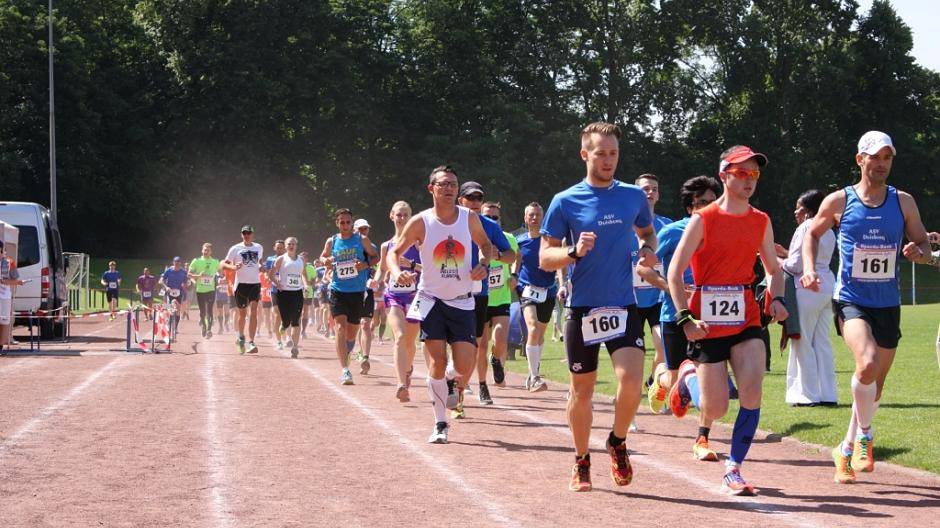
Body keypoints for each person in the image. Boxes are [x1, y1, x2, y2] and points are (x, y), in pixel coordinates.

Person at [801, 131, 934, 484]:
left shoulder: (903, 201)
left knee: (875, 384)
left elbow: (923, 243)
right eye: (875, 157)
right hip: (851, 299)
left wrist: (919, 254)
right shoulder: (839, 201)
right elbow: (811, 234)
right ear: (860, 159)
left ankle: (845, 449)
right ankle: (866, 436)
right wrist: (810, 268)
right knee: (867, 362)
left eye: (887, 157)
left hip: (888, 303)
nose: (881, 164)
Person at [539, 122, 658, 492]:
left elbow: (647, 232)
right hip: (583, 310)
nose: (608, 160)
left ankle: (617, 441)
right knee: (582, 391)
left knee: (632, 382)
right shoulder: (565, 201)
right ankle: (581, 459)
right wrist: (573, 252)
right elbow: (545, 257)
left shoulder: (633, 196)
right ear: (584, 154)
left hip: (622, 305)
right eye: (601, 153)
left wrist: (647, 250)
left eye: (613, 153)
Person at [666, 145, 787, 496]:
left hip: (746, 318)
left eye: (754, 174)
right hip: (706, 323)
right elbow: (674, 273)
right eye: (741, 173)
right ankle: (688, 379)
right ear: (724, 176)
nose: (749, 180)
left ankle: (733, 468)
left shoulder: (760, 220)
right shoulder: (703, 219)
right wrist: (685, 318)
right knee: (716, 407)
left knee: (752, 389)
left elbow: (774, 269)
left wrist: (777, 299)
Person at [387, 165, 495, 444]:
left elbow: (486, 246)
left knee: (464, 365)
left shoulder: (469, 218)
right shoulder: (420, 222)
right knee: (436, 361)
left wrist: (484, 264)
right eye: (443, 184)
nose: (449, 189)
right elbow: (393, 253)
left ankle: (451, 378)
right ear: (431, 188)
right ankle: (440, 424)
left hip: (462, 301)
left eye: (453, 185)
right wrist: (397, 272)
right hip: (431, 301)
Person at [640, 175, 722, 461]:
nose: (707, 207)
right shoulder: (673, 232)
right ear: (690, 207)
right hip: (674, 313)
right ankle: (660, 379)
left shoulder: (723, 230)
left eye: (712, 202)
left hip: (710, 314)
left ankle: (702, 438)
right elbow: (643, 269)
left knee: (707, 376)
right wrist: (669, 287)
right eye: (701, 203)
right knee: (676, 378)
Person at [453, 181, 514, 418]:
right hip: (450, 292)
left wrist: (498, 255)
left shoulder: (489, 226)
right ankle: (449, 382)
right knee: (450, 345)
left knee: (473, 346)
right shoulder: (449, 222)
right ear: (461, 200)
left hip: (479, 295)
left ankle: (458, 395)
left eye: (479, 198)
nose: (475, 202)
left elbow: (510, 255)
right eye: (470, 198)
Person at [778, 189, 837, 406]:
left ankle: (806, 394)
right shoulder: (828, 229)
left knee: (802, 340)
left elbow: (795, 265)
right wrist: (785, 253)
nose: (796, 212)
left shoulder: (805, 227)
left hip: (806, 287)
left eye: (799, 208)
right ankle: (828, 394)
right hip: (827, 286)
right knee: (822, 342)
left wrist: (775, 260)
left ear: (809, 210)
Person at [321, 209, 378, 385]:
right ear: (337, 223)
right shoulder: (332, 241)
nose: (345, 225)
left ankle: (348, 352)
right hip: (338, 290)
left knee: (352, 333)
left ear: (351, 223)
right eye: (342, 222)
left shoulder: (361, 239)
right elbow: (323, 256)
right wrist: (325, 261)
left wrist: (365, 264)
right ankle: (345, 370)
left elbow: (376, 257)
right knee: (340, 327)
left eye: (348, 222)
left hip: (357, 292)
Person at [378, 201, 423, 402]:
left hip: (415, 297)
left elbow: (430, 269)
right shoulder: (386, 246)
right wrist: (375, 280)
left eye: (406, 215)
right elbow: (382, 269)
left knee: (410, 342)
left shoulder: (419, 243)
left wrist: (411, 264)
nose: (402, 218)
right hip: (393, 295)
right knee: (400, 337)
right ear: (392, 216)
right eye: (399, 215)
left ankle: (408, 368)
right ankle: (401, 384)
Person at [513, 202, 560, 392]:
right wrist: (514, 276)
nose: (534, 218)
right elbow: (515, 262)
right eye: (531, 215)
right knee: (532, 328)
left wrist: (562, 282)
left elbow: (560, 263)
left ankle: (533, 370)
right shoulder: (519, 241)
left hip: (548, 290)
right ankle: (534, 377)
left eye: (537, 215)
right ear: (525, 218)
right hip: (527, 290)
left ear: (543, 217)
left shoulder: (550, 240)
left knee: (539, 335)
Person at [633, 174, 673, 393]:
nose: (650, 193)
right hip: (630, 299)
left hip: (658, 297)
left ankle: (652, 381)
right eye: (645, 189)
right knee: (634, 352)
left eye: (654, 189)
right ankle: (631, 388)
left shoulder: (667, 226)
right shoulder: (624, 225)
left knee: (662, 345)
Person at [477, 201, 518, 404]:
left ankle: (496, 359)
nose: (492, 220)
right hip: (481, 298)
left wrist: (514, 274)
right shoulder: (474, 237)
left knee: (501, 338)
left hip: (501, 297)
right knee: (481, 345)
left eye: (495, 217)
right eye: (488, 217)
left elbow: (515, 257)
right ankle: (482, 385)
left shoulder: (507, 238)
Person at [222, 225, 264, 354]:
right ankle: (241, 336)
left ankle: (251, 342)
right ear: (241, 235)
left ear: (252, 234)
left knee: (254, 311)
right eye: (244, 233)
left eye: (249, 233)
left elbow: (259, 262)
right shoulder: (235, 248)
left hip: (255, 283)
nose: (246, 235)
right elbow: (223, 264)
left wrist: (262, 267)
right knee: (242, 314)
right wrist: (234, 267)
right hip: (241, 285)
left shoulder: (259, 247)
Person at [271, 237, 307, 358]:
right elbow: (271, 274)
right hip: (284, 293)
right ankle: (284, 325)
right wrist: (277, 283)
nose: (291, 246)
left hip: (297, 293)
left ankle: (295, 347)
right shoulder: (281, 259)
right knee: (286, 320)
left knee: (296, 320)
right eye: (289, 244)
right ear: (286, 246)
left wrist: (306, 285)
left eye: (293, 244)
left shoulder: (301, 260)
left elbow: (303, 274)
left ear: (296, 246)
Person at [353, 218, 380, 371]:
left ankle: (365, 357)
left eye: (366, 229)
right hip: (350, 289)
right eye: (361, 229)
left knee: (365, 324)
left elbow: (377, 267)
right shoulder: (349, 246)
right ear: (355, 230)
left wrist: (374, 278)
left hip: (366, 290)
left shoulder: (373, 248)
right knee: (354, 325)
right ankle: (358, 349)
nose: (364, 231)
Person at [189, 243, 221, 339]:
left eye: (208, 250)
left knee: (209, 310)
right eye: (204, 250)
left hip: (211, 290)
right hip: (200, 290)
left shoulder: (215, 262)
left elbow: (221, 272)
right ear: (202, 250)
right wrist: (198, 276)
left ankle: (209, 330)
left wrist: (221, 279)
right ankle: (204, 326)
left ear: (211, 252)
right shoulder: (196, 261)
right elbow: (189, 274)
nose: (205, 251)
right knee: (202, 312)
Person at [263, 240, 286, 348]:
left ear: (284, 248)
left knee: (285, 314)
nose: (279, 249)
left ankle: (284, 327)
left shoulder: (288, 259)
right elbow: (267, 272)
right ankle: (279, 341)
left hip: (287, 290)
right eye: (278, 247)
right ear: (274, 248)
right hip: (274, 290)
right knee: (277, 314)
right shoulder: (270, 259)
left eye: (281, 247)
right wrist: (268, 277)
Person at [0, 241, 24, 347]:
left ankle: (0, 346)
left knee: (4, 322)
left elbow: (16, 281)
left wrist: (4, 281)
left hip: (4, 297)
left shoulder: (10, 262)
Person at [160, 257, 189, 333]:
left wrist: (185, 287)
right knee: (172, 307)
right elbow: (162, 280)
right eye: (175, 262)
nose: (177, 264)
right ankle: (169, 324)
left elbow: (185, 282)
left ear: (180, 263)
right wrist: (166, 287)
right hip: (170, 292)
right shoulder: (169, 270)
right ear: (173, 262)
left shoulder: (183, 272)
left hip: (179, 292)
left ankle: (175, 328)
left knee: (178, 310)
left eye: (178, 262)